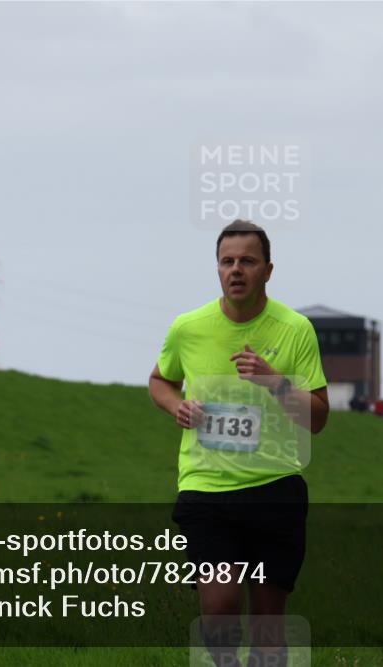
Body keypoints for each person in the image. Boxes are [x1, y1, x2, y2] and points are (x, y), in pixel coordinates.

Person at [148, 219, 329, 666]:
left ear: (268, 270)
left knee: (268, 624)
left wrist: (275, 382)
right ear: (217, 268)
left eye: (247, 261)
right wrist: (177, 406)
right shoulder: (188, 327)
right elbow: (160, 381)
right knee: (220, 604)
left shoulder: (296, 329)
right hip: (206, 489)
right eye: (227, 261)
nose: (236, 270)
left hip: (275, 488)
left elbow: (318, 418)